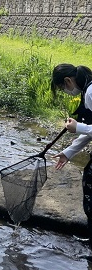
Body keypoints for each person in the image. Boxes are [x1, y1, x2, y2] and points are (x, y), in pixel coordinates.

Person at [51, 63, 92, 248]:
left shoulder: (91, 92)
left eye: (62, 88)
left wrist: (78, 128)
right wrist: (68, 153)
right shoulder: (88, 89)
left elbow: (86, 129)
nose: (65, 91)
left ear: (68, 81)